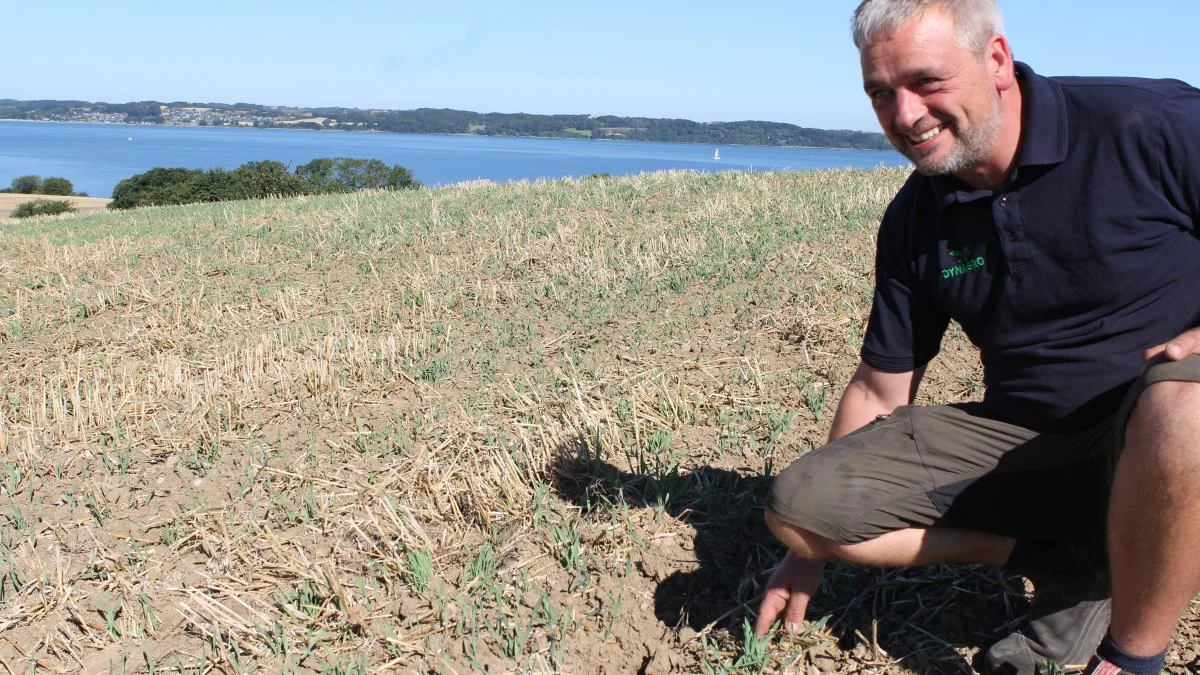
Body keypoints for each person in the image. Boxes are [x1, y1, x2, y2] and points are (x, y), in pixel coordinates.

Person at [754, 1, 1200, 673]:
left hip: (1167, 427)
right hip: (1032, 442)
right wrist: (806, 554)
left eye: (925, 82)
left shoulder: (1147, 126)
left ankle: (1133, 653)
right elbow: (880, 387)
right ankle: (1080, 564)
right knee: (799, 508)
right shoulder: (916, 218)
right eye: (881, 93)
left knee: (1183, 410)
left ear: (994, 60)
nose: (904, 115)